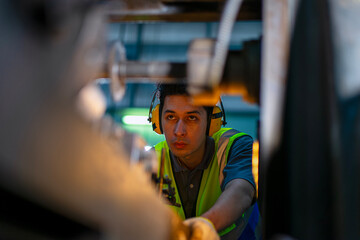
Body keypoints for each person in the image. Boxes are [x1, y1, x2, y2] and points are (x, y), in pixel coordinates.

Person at [150, 83, 260, 240]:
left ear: (211, 123)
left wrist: (202, 226)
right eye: (171, 117)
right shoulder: (153, 159)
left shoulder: (235, 146)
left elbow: (241, 191)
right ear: (159, 121)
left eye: (191, 118)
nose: (179, 131)